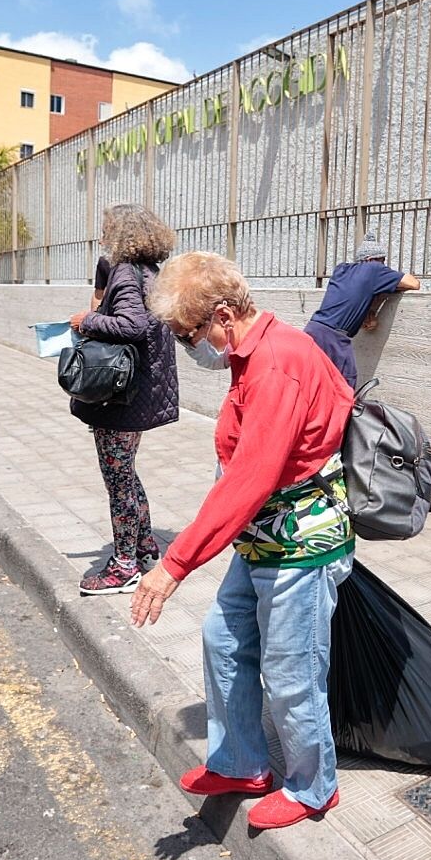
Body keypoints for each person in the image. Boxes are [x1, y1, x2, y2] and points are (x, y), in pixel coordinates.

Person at [128, 251, 356, 830]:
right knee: (223, 640)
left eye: (189, 333)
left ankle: (313, 786)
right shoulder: (253, 354)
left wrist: (173, 565)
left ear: (223, 314)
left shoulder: (277, 363)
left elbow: (251, 479)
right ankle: (242, 763)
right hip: (265, 539)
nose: (189, 347)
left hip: (300, 544)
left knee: (292, 671)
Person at [66, 208, 179, 595]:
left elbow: (132, 325)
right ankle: (146, 544)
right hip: (139, 393)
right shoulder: (147, 272)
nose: (101, 237)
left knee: (118, 481)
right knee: (126, 472)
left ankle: (125, 565)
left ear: (122, 235)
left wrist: (87, 320)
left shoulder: (126, 274)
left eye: (106, 231)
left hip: (123, 399)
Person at [302, 233, 420, 387]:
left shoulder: (341, 270)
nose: (384, 266)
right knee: (345, 387)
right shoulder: (374, 270)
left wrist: (370, 312)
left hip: (312, 330)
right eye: (382, 261)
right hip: (334, 339)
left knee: (309, 384)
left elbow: (357, 293)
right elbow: (413, 283)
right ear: (371, 259)